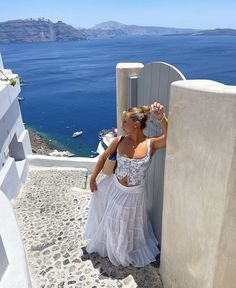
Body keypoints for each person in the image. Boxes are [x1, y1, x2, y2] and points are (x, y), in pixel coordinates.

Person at [84, 102, 168, 267]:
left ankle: (124, 249)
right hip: (115, 188)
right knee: (114, 219)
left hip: (135, 195)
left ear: (136, 125)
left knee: (128, 223)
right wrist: (93, 177)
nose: (121, 125)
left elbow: (171, 137)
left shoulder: (151, 144)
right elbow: (103, 158)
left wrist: (161, 118)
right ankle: (115, 249)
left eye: (125, 122)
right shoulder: (118, 140)